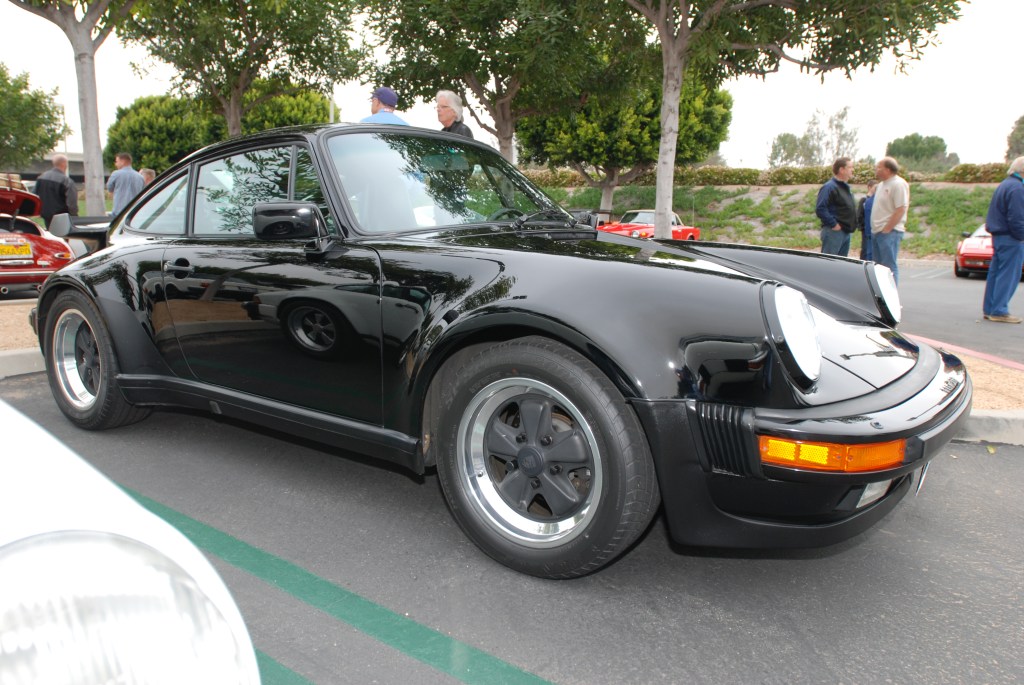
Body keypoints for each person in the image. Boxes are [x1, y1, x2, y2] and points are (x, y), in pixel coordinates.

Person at [981, 156, 1024, 323]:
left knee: (996, 274)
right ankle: (999, 310)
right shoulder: (1017, 188)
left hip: (999, 236)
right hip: (1011, 237)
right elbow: (1017, 217)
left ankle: (991, 308)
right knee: (1008, 275)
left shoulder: (1005, 184)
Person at [870, 156, 910, 284]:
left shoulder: (898, 184)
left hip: (889, 233)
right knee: (878, 268)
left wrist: (887, 229)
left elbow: (901, 208)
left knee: (889, 267)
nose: (876, 169)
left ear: (887, 169)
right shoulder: (881, 185)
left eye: (879, 167)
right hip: (877, 232)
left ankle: (891, 299)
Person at [815, 157, 856, 256]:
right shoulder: (829, 187)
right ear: (841, 169)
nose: (853, 170)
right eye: (850, 167)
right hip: (834, 232)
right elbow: (820, 208)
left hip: (845, 232)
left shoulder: (845, 188)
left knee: (841, 266)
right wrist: (834, 224)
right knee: (829, 265)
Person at [34, 154, 78, 228]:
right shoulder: (66, 181)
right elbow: (71, 203)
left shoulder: (41, 178)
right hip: (62, 218)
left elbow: (35, 195)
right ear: (64, 164)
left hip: (46, 216)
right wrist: (74, 217)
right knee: (62, 238)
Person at [857, 180, 877, 261]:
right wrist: (861, 226)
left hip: (873, 227)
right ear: (869, 187)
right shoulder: (864, 200)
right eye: (874, 187)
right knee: (865, 248)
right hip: (865, 228)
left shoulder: (876, 200)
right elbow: (859, 214)